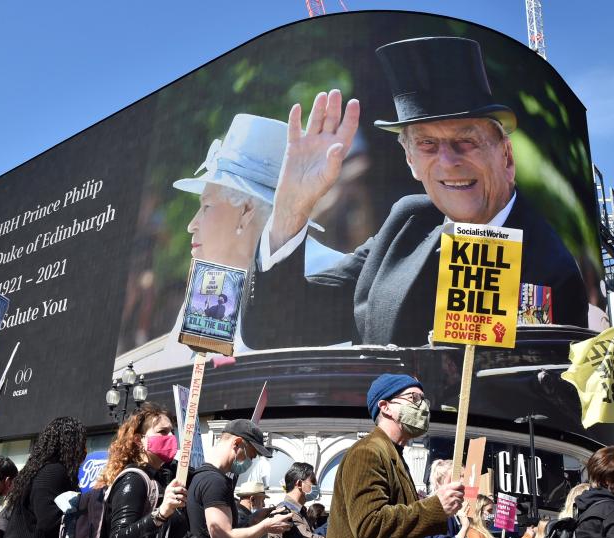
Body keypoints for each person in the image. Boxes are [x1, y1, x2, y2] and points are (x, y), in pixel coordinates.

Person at [243, 36, 589, 350]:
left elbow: (536, 395)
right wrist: (292, 207)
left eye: (465, 141)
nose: (448, 162)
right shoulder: (409, 222)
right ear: (410, 161)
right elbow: (276, 328)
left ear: (506, 155)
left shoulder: (550, 264)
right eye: (427, 145)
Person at [117, 113, 342, 374]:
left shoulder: (326, 273)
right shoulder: (215, 283)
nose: (192, 224)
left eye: (206, 206)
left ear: (246, 211)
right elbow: (179, 391)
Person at [310, 374, 465, 538]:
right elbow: (369, 524)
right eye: (414, 398)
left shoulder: (393, 455)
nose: (423, 406)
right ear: (385, 407)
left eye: (424, 399)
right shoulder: (368, 452)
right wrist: (435, 508)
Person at [89, 403, 188, 538]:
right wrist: (160, 514)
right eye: (162, 432)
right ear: (138, 440)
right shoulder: (133, 480)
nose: (171, 437)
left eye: (172, 432)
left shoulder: (161, 481)